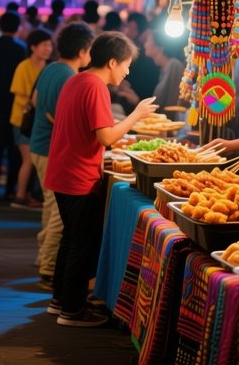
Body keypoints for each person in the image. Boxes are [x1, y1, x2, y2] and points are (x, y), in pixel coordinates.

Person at [45, 32, 158, 327]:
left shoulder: (77, 80)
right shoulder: (95, 86)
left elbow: (92, 131)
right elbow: (105, 137)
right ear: (112, 62)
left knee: (71, 238)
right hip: (77, 176)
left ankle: (61, 300)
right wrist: (137, 114)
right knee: (82, 243)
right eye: (126, 65)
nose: (127, 71)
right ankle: (72, 310)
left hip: (63, 171)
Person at [30, 22, 94, 288]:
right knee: (59, 212)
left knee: (50, 205)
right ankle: (48, 266)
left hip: (38, 145)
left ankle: (43, 256)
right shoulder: (69, 76)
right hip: (52, 149)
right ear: (82, 51)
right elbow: (63, 118)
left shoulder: (50, 69)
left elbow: (35, 101)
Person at [0, 10, 28, 200]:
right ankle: (10, 189)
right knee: (14, 150)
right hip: (15, 105)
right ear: (18, 27)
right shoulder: (21, 48)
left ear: (0, 26)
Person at [9, 28, 53, 209]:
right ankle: (20, 196)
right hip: (23, 121)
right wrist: (37, 102)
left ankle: (26, 194)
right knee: (28, 160)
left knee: (33, 161)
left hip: (38, 122)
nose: (48, 49)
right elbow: (19, 95)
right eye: (44, 45)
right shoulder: (23, 66)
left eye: (50, 45)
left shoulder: (48, 68)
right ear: (33, 47)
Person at [112, 11, 157, 115]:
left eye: (130, 28)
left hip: (140, 105)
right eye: (126, 27)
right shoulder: (138, 52)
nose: (126, 32)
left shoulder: (146, 58)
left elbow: (146, 88)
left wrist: (134, 96)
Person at [144, 23, 186, 110]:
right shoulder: (164, 68)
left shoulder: (174, 65)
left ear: (158, 47)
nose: (145, 45)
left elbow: (171, 103)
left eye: (148, 41)